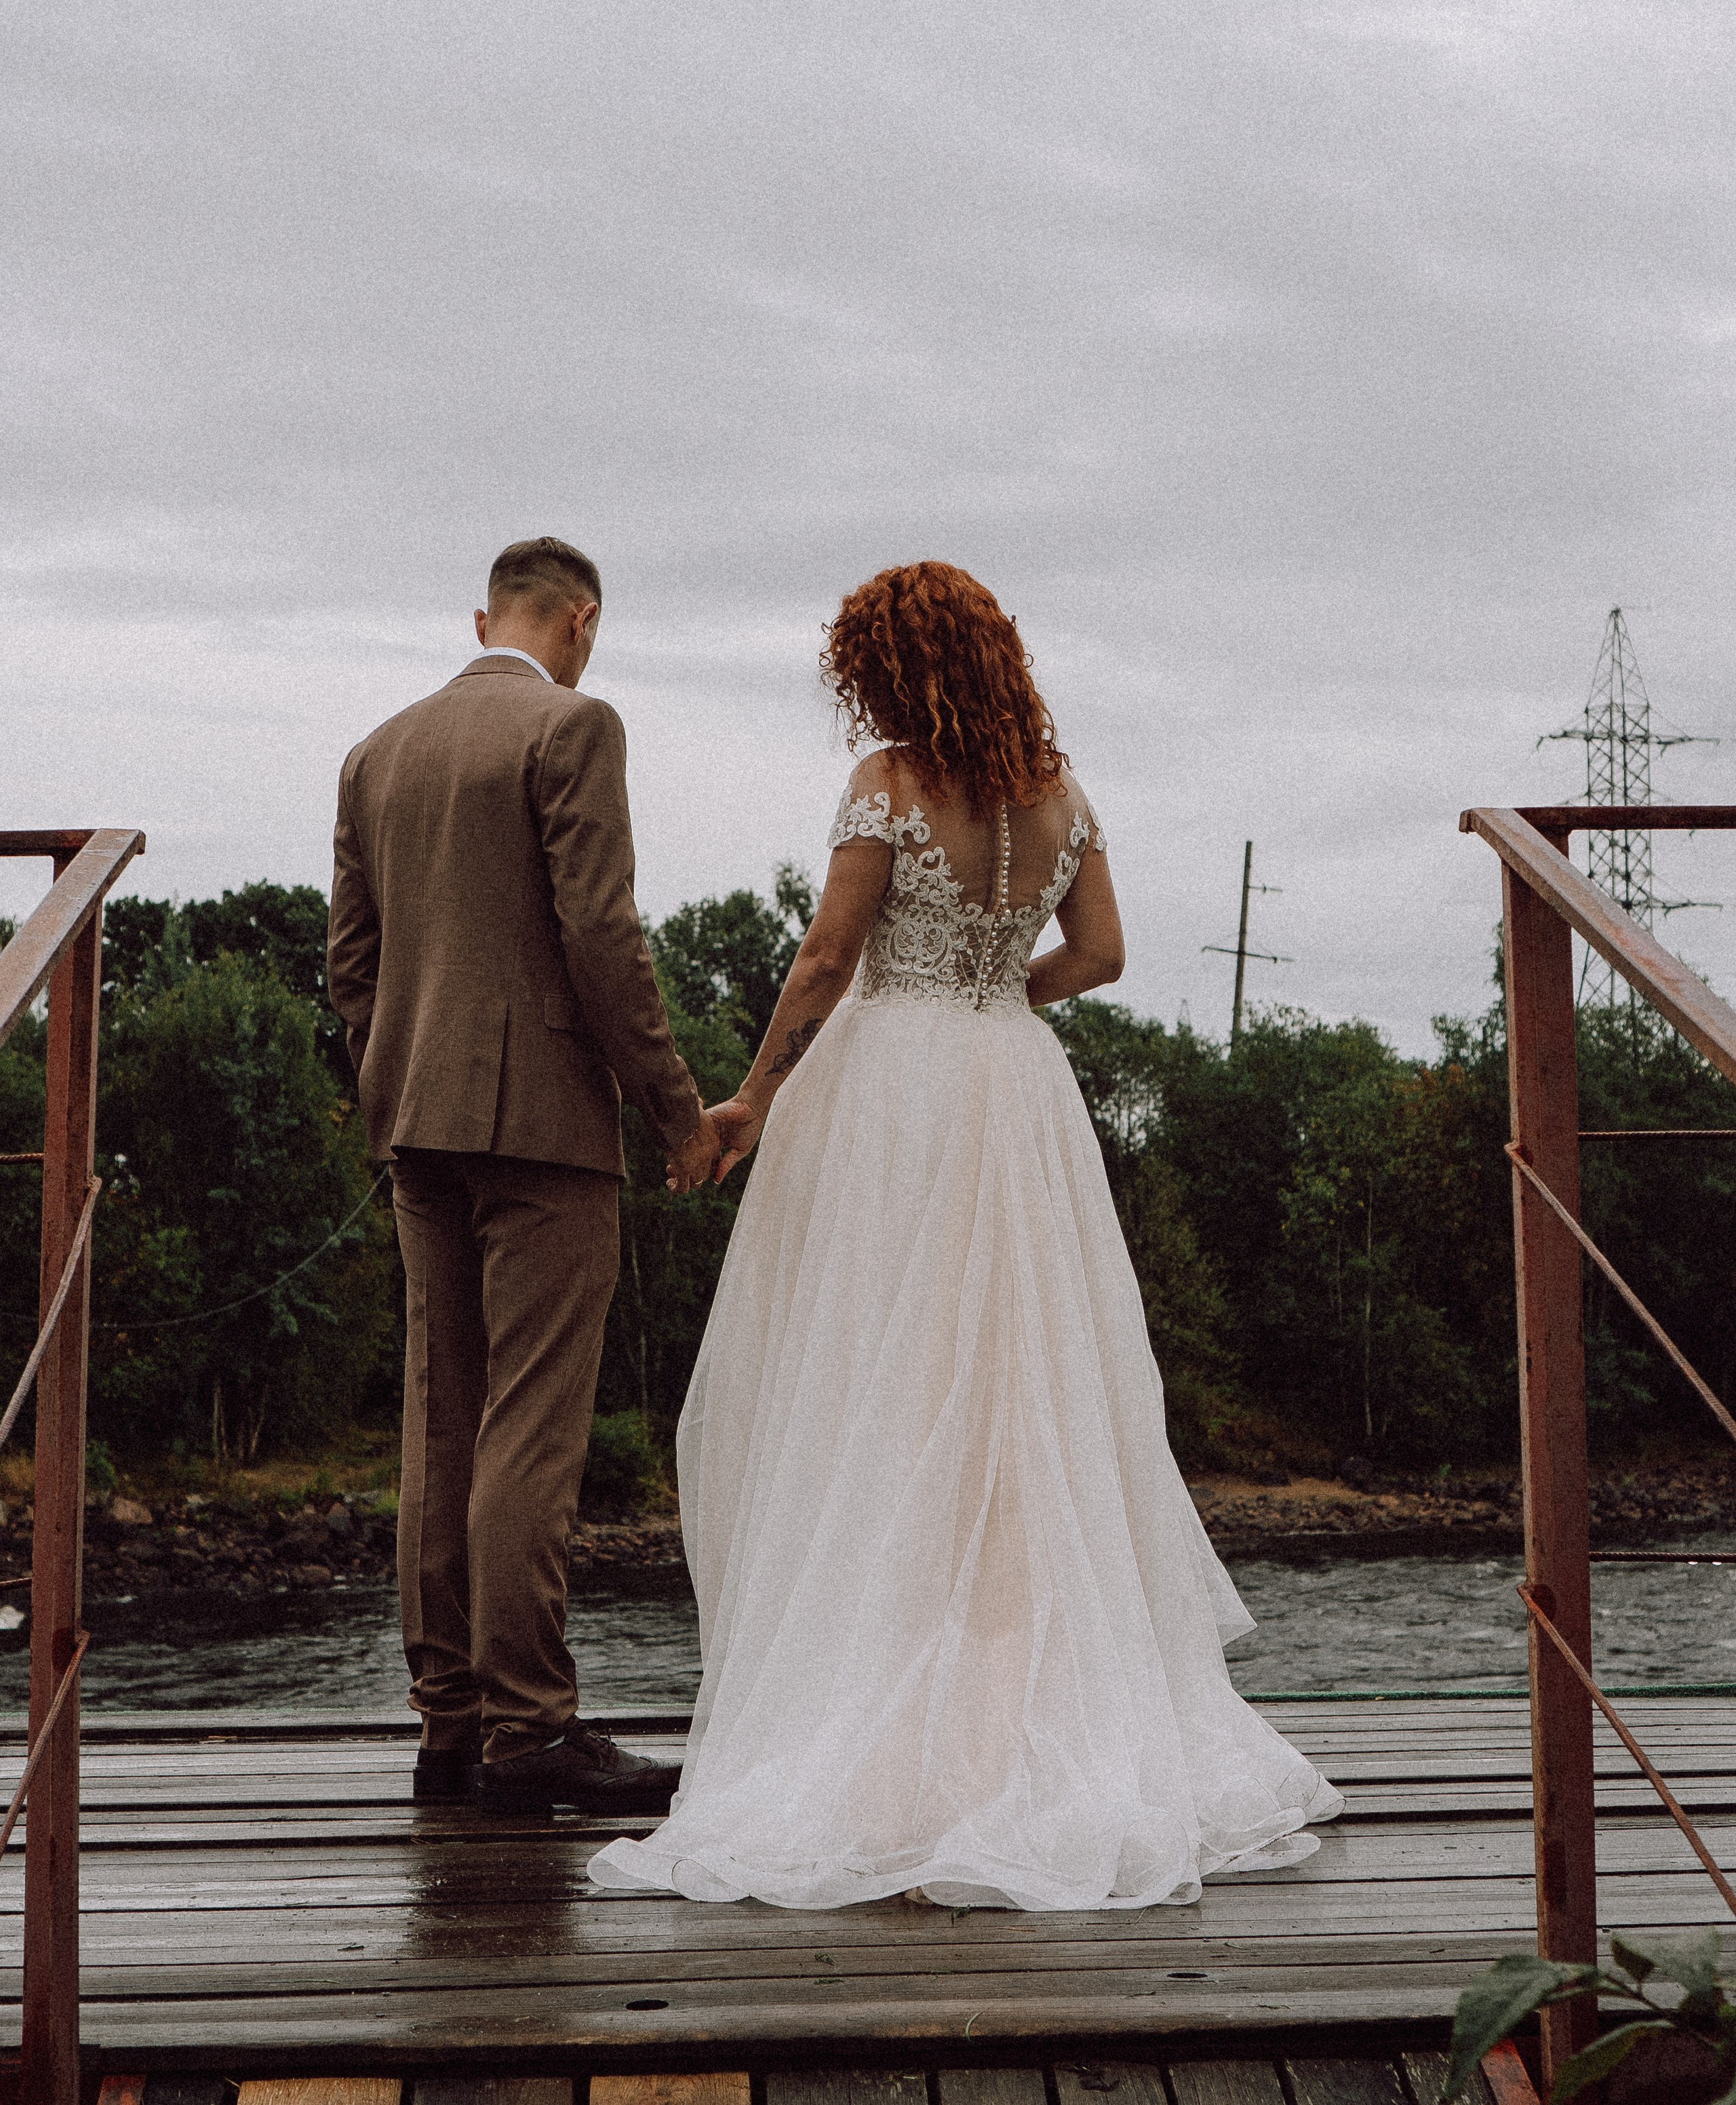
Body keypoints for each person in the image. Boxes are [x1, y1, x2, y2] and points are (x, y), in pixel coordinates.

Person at [591, 559, 1340, 1908]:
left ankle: (891, 1725)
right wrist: (1001, 990)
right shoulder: (1059, 790)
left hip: (895, 1090)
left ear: (882, 667)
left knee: (873, 1377)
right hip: (1012, 1084)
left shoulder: (885, 780)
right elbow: (1101, 954)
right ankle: (1019, 1709)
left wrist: (752, 1093)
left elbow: (825, 958)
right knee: (1016, 1392)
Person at [328, 536, 721, 1816]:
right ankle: (533, 1732)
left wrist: (393, 1088)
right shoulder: (575, 729)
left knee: (439, 1426)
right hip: (546, 1130)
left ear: (481, 615)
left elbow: (352, 965)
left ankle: (450, 1726)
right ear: (582, 620)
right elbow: (603, 937)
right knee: (532, 1435)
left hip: (415, 1128)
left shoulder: (378, 751)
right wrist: (674, 1111)